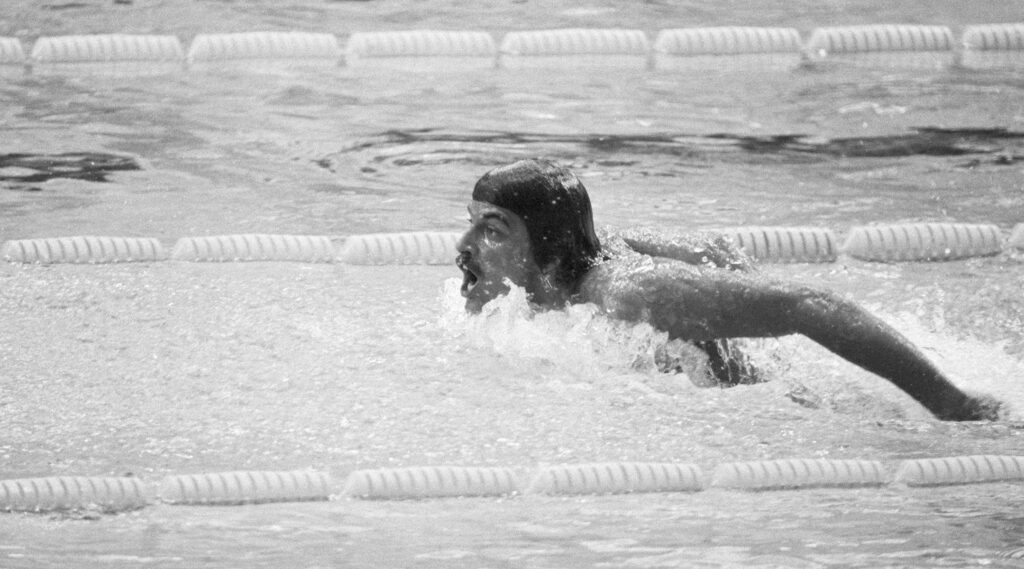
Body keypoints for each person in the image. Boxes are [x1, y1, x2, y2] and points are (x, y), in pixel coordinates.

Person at [455, 158, 1001, 421]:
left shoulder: (628, 293)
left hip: (785, 423)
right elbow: (710, 248)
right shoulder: (574, 264)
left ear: (545, 241)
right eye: (474, 222)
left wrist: (952, 404)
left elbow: (810, 306)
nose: (466, 243)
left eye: (492, 229)